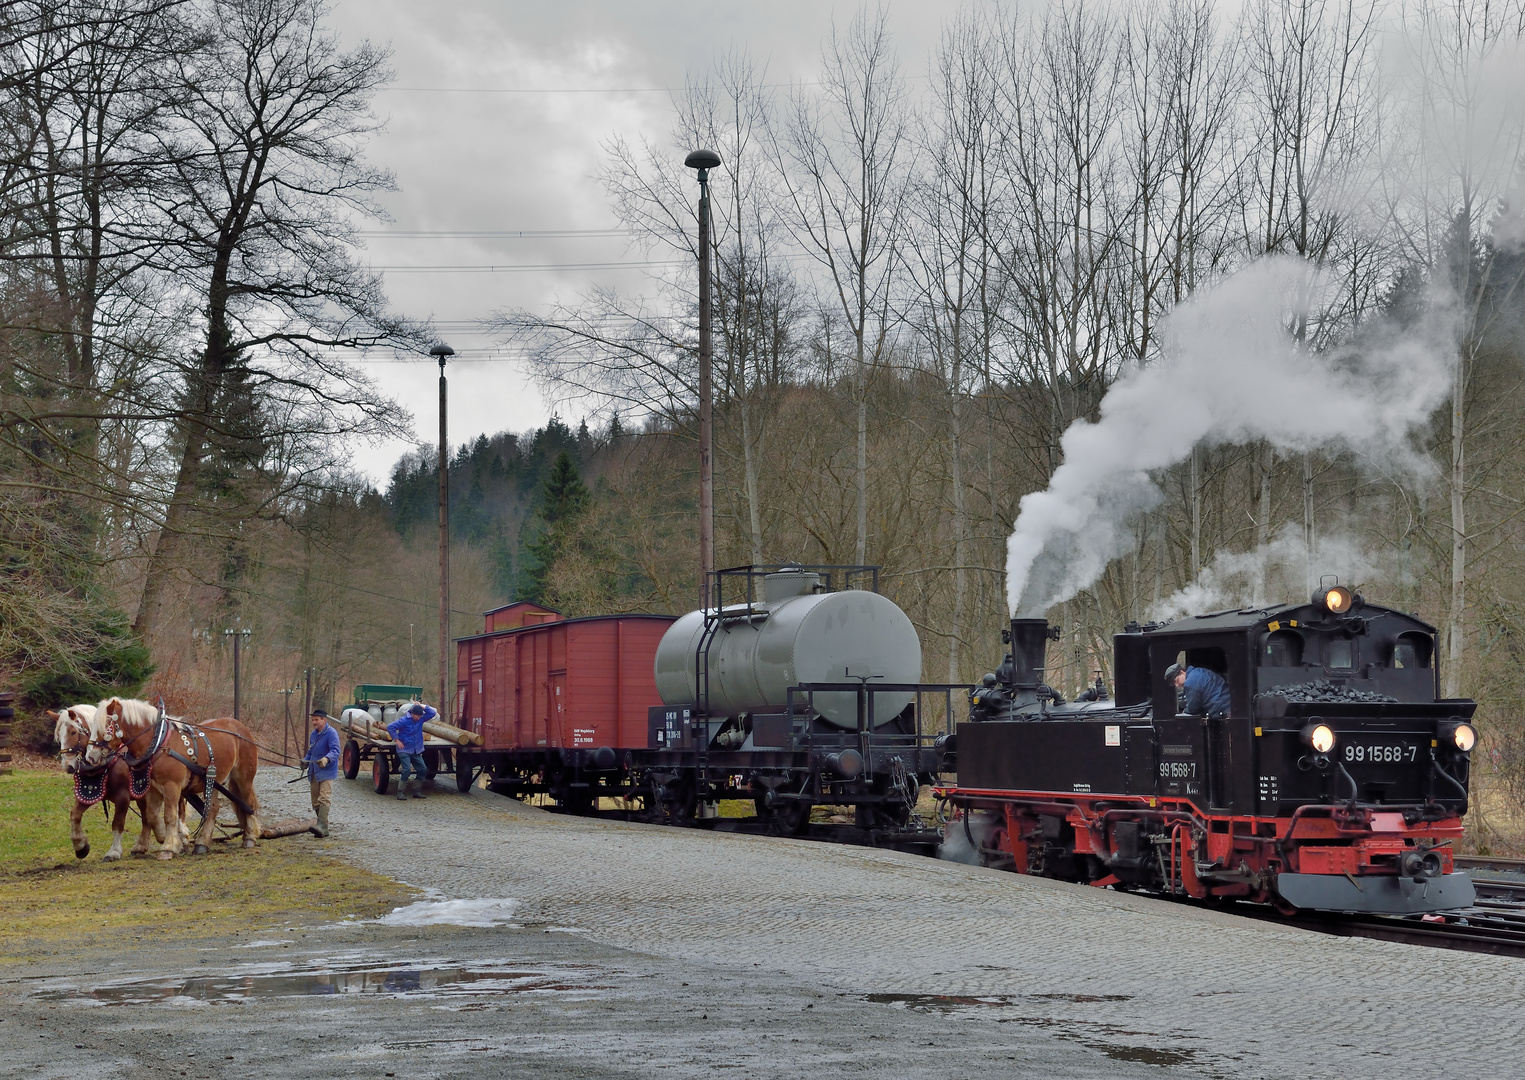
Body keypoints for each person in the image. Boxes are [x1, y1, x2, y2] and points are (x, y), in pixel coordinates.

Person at [386, 702, 435, 801]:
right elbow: (390, 727)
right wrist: (397, 740)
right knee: (407, 770)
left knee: (422, 769)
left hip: (416, 750)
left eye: (420, 716)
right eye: (417, 715)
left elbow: (432, 713)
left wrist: (421, 705)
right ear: (412, 714)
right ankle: (400, 792)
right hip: (404, 749)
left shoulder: (420, 719)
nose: (418, 718)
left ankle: (416, 791)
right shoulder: (404, 720)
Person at [305, 709, 341, 836]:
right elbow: (310, 752)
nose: (314, 722)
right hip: (314, 772)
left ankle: (322, 826)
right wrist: (305, 761)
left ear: (324, 720)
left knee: (324, 798)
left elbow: (336, 751)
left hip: (327, 772)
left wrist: (326, 759)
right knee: (315, 801)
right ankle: (323, 827)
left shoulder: (332, 733)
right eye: (313, 720)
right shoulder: (313, 735)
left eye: (316, 720)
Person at [1165, 662, 1230, 719]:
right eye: (1174, 684)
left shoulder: (1190, 682)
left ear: (1182, 672)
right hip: (1227, 703)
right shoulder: (1197, 671)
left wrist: (1185, 711)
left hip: (1222, 710)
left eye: (1176, 681)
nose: (1177, 685)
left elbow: (1193, 708)